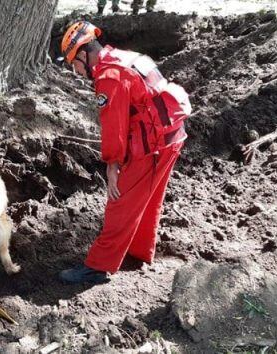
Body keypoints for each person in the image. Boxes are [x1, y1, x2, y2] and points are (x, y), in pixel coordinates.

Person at [57, 21, 188, 284]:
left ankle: (97, 267)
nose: (77, 72)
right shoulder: (123, 57)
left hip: (152, 145)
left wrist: (112, 166)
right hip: (171, 135)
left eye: (75, 65)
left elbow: (114, 126)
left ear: (84, 55)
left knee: (121, 202)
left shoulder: (108, 76)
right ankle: (138, 251)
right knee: (148, 199)